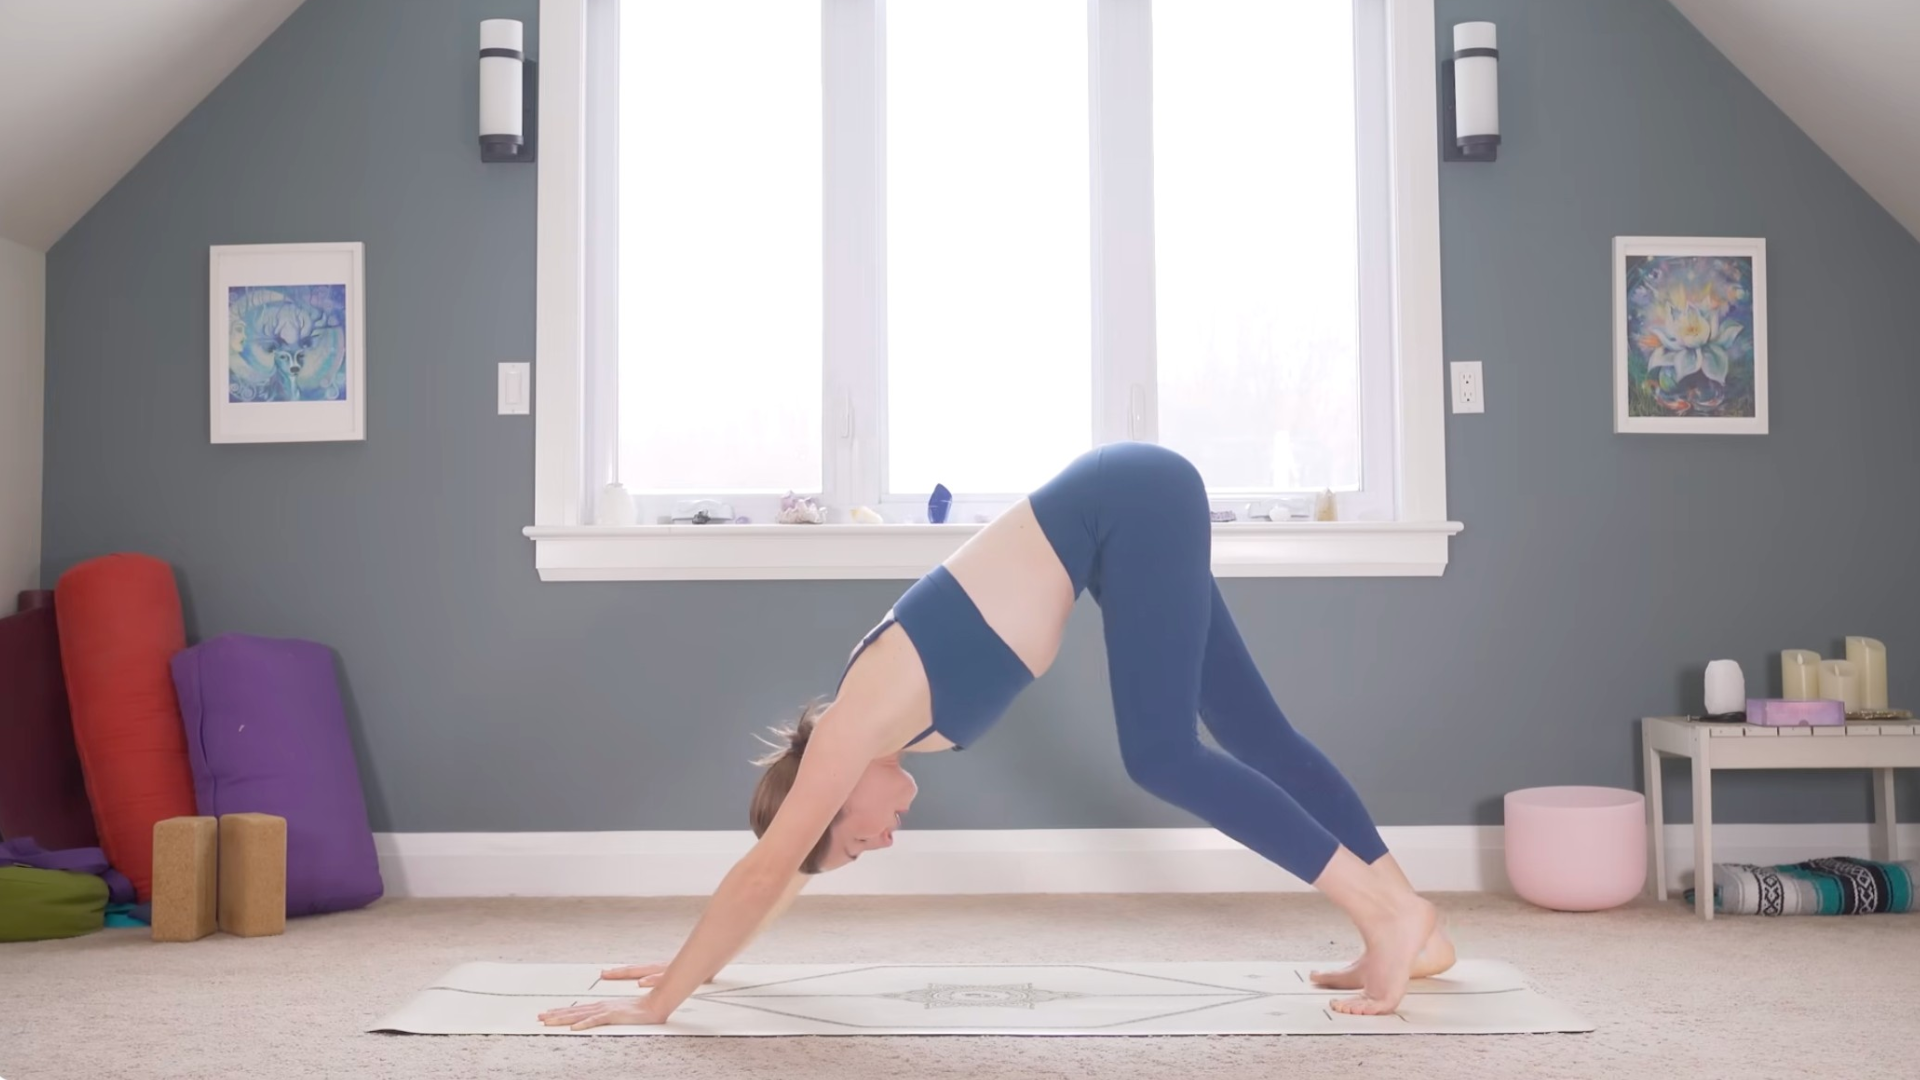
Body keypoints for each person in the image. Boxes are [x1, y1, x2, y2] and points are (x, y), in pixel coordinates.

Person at [538, 442, 1454, 1031]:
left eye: (858, 841)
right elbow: (789, 876)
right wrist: (696, 968)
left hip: (1132, 497)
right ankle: (1416, 926)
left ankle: (1382, 915)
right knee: (1256, 731)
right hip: (1127, 515)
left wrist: (660, 1006)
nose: (881, 843)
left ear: (832, 795)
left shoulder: (855, 724)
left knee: (1161, 753)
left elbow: (766, 868)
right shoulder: (875, 733)